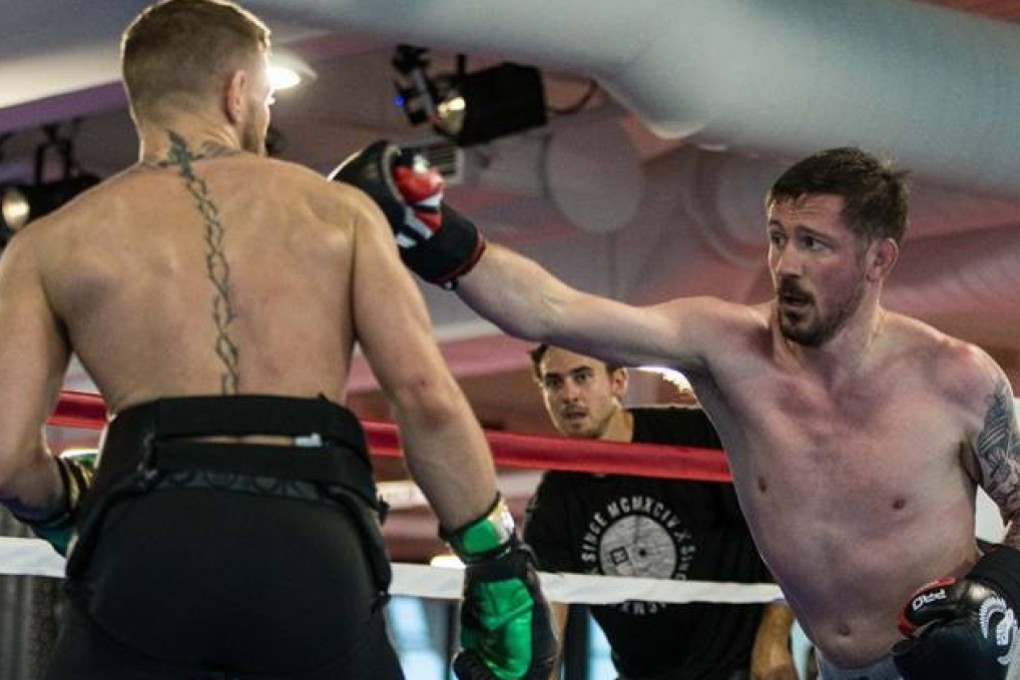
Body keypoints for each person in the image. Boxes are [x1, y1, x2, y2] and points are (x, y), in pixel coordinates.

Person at [0, 2, 556, 679]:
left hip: (147, 536)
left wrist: (65, 503)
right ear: (236, 92)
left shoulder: (50, 244)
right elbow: (425, 398)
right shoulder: (340, 213)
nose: (264, 115)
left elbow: (6, 458)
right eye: (265, 98)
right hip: (313, 539)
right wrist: (497, 562)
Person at [337, 142, 1020, 680]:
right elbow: (553, 311)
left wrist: (995, 595)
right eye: (777, 237)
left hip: (964, 666)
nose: (786, 264)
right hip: (833, 667)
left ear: (879, 259)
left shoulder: (954, 378)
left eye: (814, 243)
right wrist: (437, 235)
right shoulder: (728, 350)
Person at [524, 344, 798, 680]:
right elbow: (548, 622)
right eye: (554, 383)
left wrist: (774, 638)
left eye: (582, 377)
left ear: (618, 382)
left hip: (740, 668)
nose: (569, 394)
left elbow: (786, 529)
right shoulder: (553, 502)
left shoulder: (692, 438)